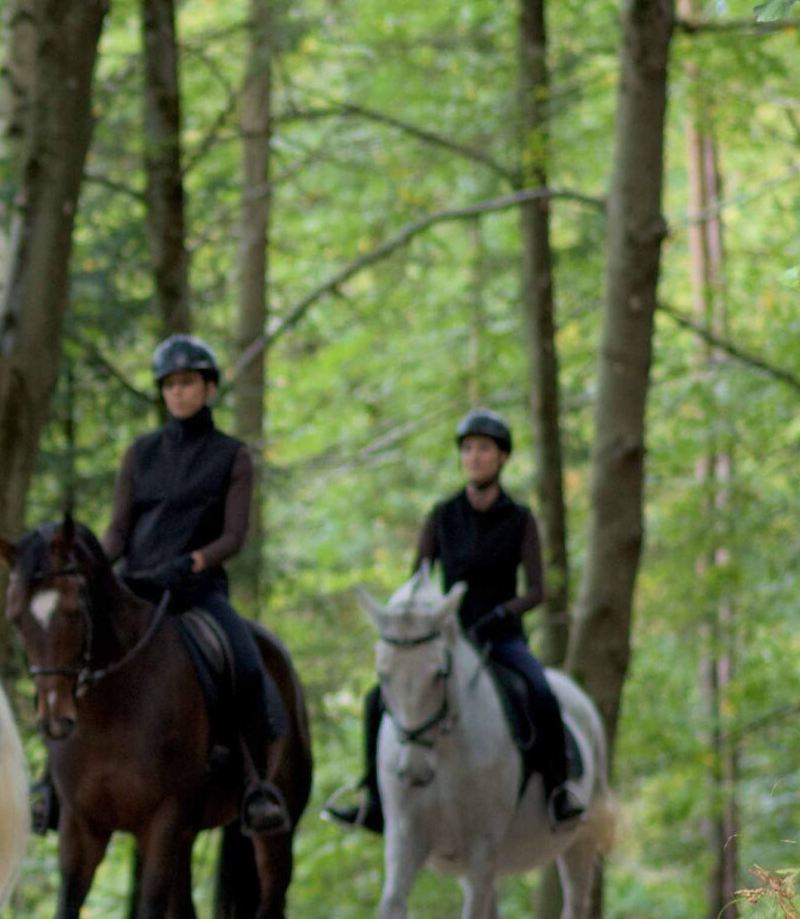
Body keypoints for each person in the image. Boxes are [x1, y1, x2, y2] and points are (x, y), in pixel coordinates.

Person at [327, 409, 586, 834]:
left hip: (500, 638)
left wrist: (504, 613)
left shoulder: (520, 519)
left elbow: (537, 590)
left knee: (540, 692)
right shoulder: (441, 515)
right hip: (446, 637)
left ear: (502, 458)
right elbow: (419, 578)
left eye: (484, 449)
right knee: (377, 699)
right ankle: (372, 797)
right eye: (468, 449)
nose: (475, 456)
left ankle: (558, 792)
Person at [88, 335, 289, 835]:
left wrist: (194, 562)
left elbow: (234, 536)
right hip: (136, 588)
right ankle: (55, 782)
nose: (179, 393)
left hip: (197, 591)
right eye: (170, 385)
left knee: (245, 664)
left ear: (209, 388)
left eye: (189, 383)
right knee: (78, 655)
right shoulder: (141, 453)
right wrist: (90, 565)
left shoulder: (231, 455)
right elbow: (117, 531)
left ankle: (255, 782)